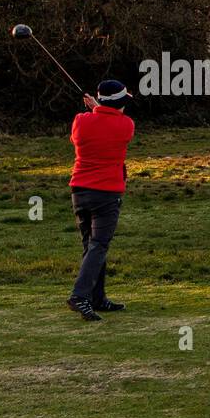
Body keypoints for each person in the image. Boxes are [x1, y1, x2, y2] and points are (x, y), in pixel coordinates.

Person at [66, 79, 135, 321]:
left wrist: (95, 109)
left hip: (80, 191)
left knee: (91, 246)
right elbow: (109, 122)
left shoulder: (80, 121)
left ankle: (97, 298)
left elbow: (85, 134)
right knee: (99, 245)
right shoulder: (126, 125)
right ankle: (80, 296)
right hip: (107, 193)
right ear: (119, 105)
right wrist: (98, 109)